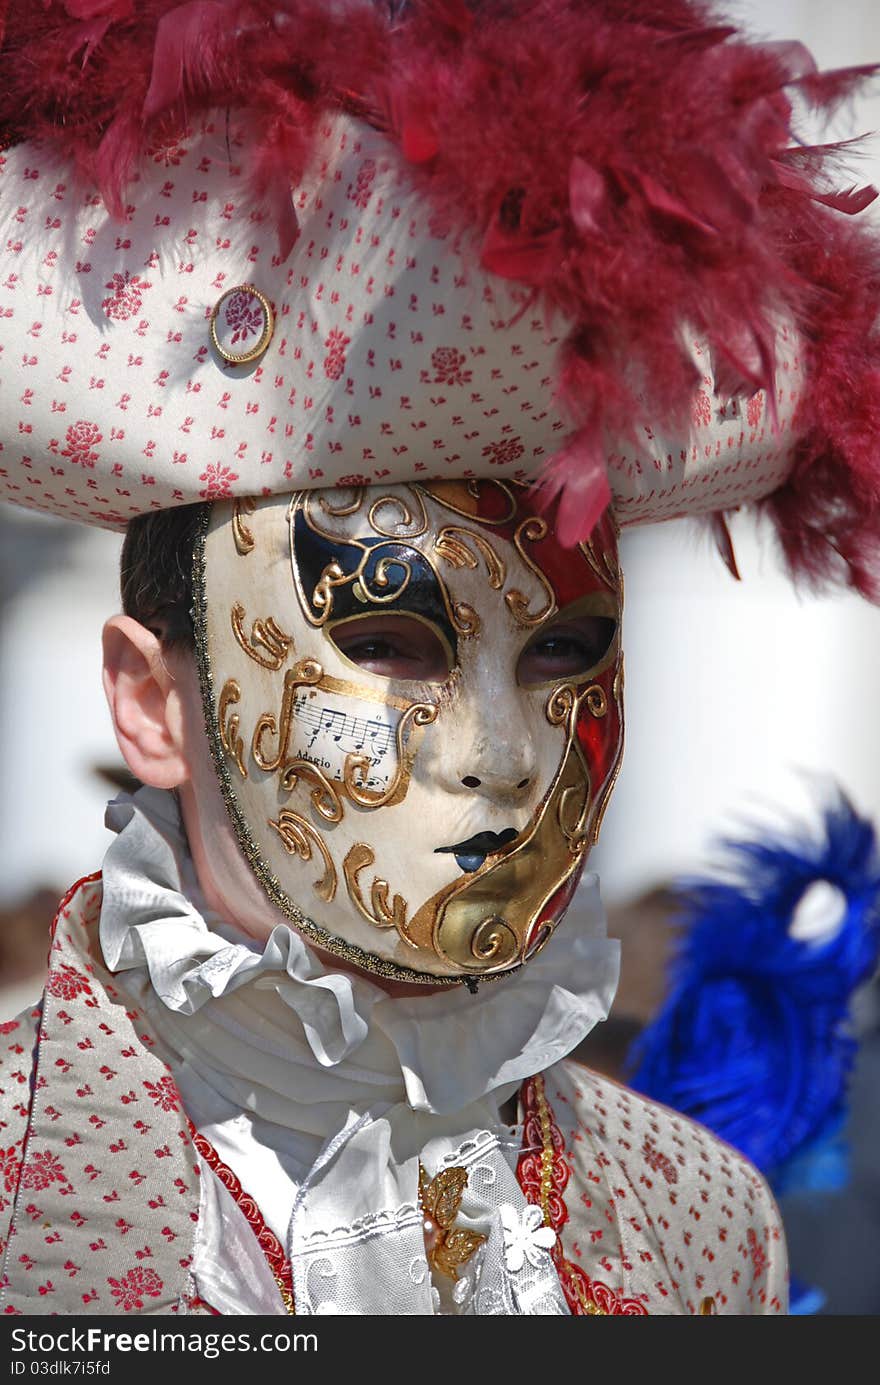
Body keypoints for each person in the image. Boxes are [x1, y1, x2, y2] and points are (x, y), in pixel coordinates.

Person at [0, 0, 878, 1316]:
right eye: (391, 644)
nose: (501, 755)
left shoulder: (699, 1220)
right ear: (150, 701)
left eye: (565, 652)